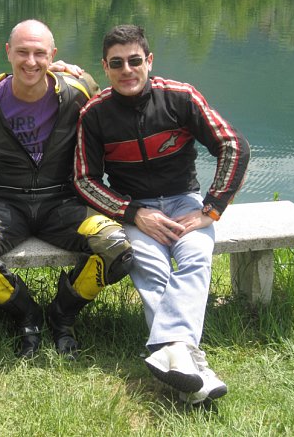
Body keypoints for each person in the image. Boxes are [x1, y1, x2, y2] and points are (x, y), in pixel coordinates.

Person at [74, 25, 250, 404]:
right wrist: (133, 213)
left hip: (185, 202)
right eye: (117, 63)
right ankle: (193, 371)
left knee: (196, 257)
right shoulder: (94, 114)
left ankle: (172, 358)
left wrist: (211, 208)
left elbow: (233, 145)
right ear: (105, 67)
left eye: (134, 60)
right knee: (150, 267)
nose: (127, 70)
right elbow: (84, 179)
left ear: (149, 61)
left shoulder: (180, 97)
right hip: (134, 209)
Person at [0, 19, 133, 360]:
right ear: (8, 52)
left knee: (116, 247)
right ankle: (27, 314)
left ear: (53, 55)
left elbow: (117, 114)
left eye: (39, 53)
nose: (31, 62)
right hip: (4, 202)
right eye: (22, 52)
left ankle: (63, 313)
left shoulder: (79, 89)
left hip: (62, 201)